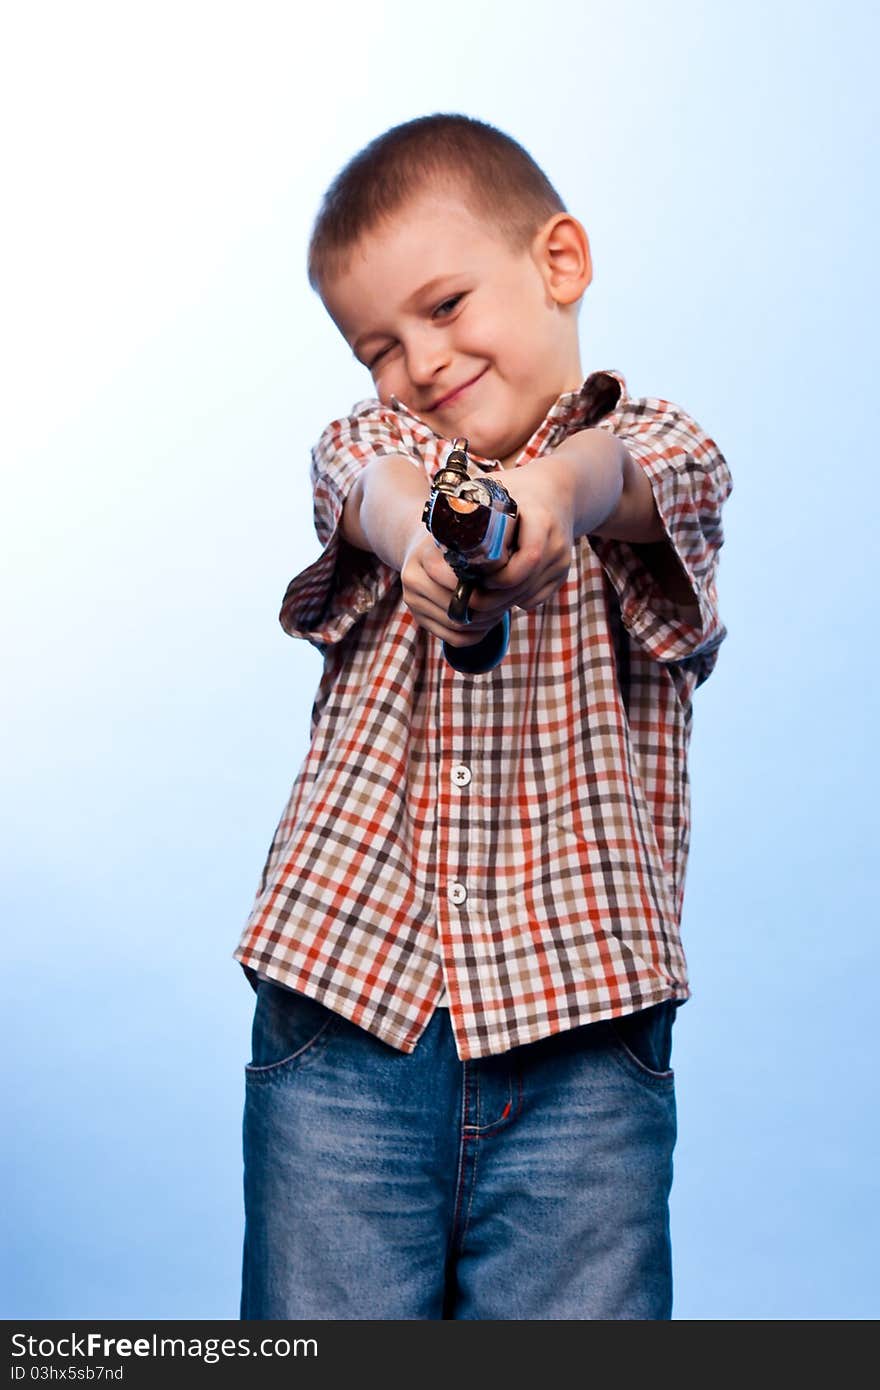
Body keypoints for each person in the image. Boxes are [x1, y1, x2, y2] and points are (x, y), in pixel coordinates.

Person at [233, 113, 732, 1321]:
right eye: (379, 345)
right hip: (347, 1018)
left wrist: (548, 499)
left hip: (582, 1042)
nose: (419, 360)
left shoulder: (654, 449)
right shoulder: (377, 443)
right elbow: (370, 483)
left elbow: (623, 475)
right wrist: (423, 544)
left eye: (446, 305)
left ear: (557, 264)